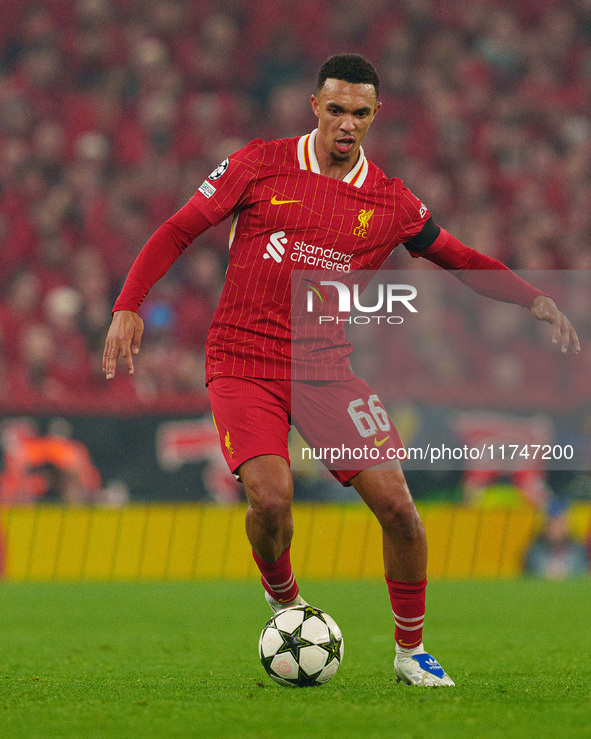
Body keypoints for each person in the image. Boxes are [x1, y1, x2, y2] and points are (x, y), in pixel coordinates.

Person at [103, 54, 580, 687]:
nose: (347, 124)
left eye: (360, 113)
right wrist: (128, 304)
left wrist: (534, 297)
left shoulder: (390, 201)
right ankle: (286, 604)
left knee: (401, 510)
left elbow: (458, 256)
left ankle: (410, 651)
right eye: (335, 110)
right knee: (272, 502)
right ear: (315, 108)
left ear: (375, 115)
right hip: (244, 362)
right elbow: (178, 229)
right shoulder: (259, 163)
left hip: (326, 371)